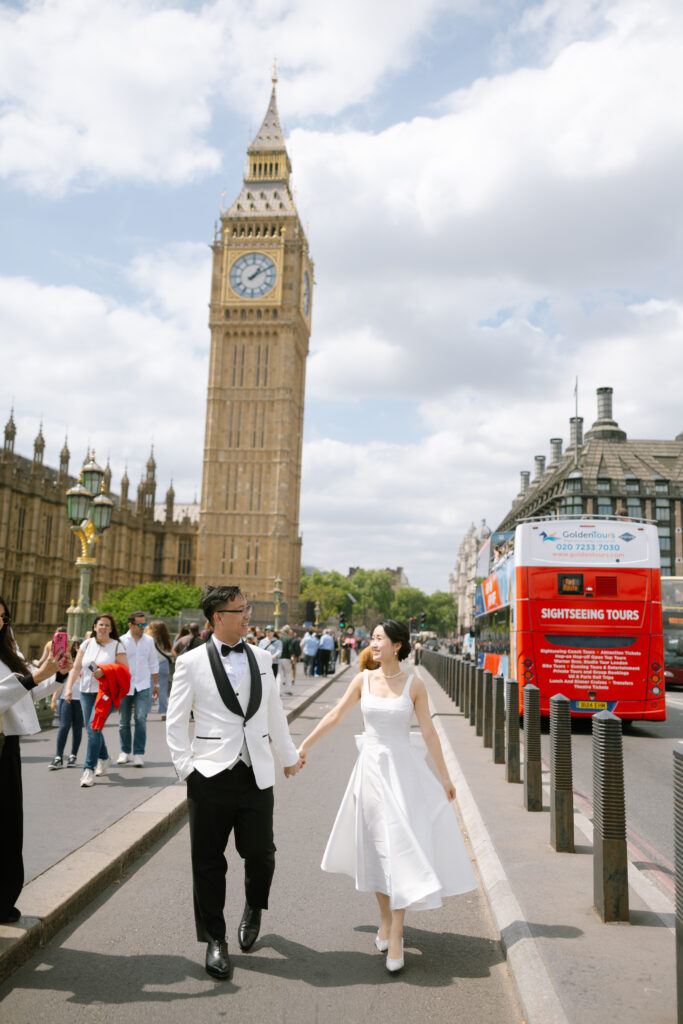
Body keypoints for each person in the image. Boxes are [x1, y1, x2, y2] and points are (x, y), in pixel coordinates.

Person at [298, 619, 477, 974]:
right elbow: (335, 715)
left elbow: (428, 732)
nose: (372, 643)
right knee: (377, 848)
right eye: (372, 638)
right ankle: (384, 918)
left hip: (403, 775)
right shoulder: (362, 679)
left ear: (397, 645)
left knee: (400, 851)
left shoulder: (415, 684)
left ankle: (396, 932)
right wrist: (303, 746)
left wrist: (444, 776)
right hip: (369, 774)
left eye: (379, 638)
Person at [166, 585, 303, 981]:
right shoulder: (190, 662)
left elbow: (274, 712)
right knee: (208, 861)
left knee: (261, 853)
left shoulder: (262, 657)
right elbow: (175, 722)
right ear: (217, 618)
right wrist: (186, 768)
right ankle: (215, 939)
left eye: (248, 609)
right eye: (241, 610)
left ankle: (254, 906)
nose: (248, 616)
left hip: (256, 773)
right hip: (208, 775)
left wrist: (288, 758)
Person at [0, 596, 70, 923]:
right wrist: (33, 677)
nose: (0, 622)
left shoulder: (6, 654)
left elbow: (25, 692)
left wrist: (53, 674)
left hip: (6, 745)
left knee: (10, 825)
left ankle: (3, 898)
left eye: (3, 617)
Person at [64, 613, 128, 788]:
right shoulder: (86, 643)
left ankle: (88, 769)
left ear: (111, 629)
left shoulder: (117, 646)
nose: (104, 628)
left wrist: (105, 671)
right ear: (94, 627)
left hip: (105, 694)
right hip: (85, 692)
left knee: (93, 728)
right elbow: (77, 667)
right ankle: (105, 758)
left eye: (107, 625)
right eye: (101, 624)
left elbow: (124, 670)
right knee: (93, 730)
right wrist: (69, 688)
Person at [118, 611, 159, 767]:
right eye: (140, 624)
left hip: (143, 685)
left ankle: (139, 753)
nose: (143, 627)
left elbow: (153, 663)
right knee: (123, 721)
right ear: (131, 625)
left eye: (144, 624)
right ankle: (125, 751)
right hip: (124, 686)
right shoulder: (121, 641)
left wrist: (156, 685)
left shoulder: (149, 641)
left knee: (141, 718)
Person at [48, 641, 83, 769]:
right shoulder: (69, 663)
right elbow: (61, 682)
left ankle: (73, 756)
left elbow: (100, 678)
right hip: (66, 698)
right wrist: (54, 699)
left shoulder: (90, 664)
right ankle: (58, 757)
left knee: (78, 728)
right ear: (76, 648)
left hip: (82, 700)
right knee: (64, 726)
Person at [147, 620, 174, 719]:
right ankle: (164, 712)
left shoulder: (149, 639)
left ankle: (145, 711)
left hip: (152, 665)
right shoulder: (166, 639)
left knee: (149, 688)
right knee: (162, 690)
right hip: (164, 664)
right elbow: (168, 651)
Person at [278, 625, 295, 694]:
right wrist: (293, 658)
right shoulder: (288, 639)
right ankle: (287, 690)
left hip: (278, 658)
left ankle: (279, 690)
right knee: (288, 674)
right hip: (286, 658)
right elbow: (290, 650)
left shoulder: (279, 638)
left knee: (279, 674)